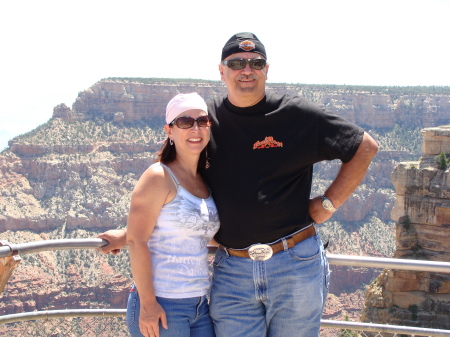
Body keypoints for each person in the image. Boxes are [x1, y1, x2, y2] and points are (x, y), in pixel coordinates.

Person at [99, 32, 378, 337]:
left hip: (294, 264)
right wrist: (129, 234)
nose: (247, 69)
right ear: (222, 71)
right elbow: (181, 196)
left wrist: (329, 204)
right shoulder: (207, 123)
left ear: (266, 69)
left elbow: (365, 147)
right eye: (237, 63)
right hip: (234, 273)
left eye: (255, 62)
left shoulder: (296, 114)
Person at [125, 92, 220, 337]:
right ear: (169, 130)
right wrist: (148, 304)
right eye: (185, 122)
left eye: (202, 121)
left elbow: (200, 233)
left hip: (200, 303)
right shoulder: (159, 176)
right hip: (162, 303)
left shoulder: (204, 180)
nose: (195, 128)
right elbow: (136, 240)